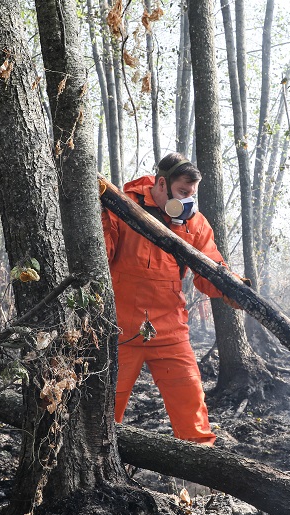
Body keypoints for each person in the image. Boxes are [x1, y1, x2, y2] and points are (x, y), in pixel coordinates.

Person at [103, 153, 242, 446]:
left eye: (192, 194)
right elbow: (97, 258)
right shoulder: (122, 207)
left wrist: (232, 287)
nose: (188, 201)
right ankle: (96, 464)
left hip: (169, 328)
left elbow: (209, 270)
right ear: (162, 184)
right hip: (119, 329)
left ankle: (199, 476)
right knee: (104, 407)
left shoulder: (196, 224)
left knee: (190, 402)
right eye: (183, 193)